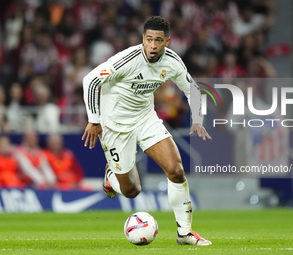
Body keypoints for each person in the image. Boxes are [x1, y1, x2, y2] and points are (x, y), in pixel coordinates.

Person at [82, 16, 212, 246]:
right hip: (116, 127)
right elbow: (91, 80)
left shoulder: (172, 61)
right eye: (149, 39)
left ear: (167, 42)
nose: (153, 45)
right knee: (132, 191)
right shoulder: (127, 60)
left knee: (176, 170)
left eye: (158, 40)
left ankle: (185, 233)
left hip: (145, 119)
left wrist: (198, 119)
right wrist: (94, 120)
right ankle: (111, 177)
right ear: (143, 39)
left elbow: (192, 89)